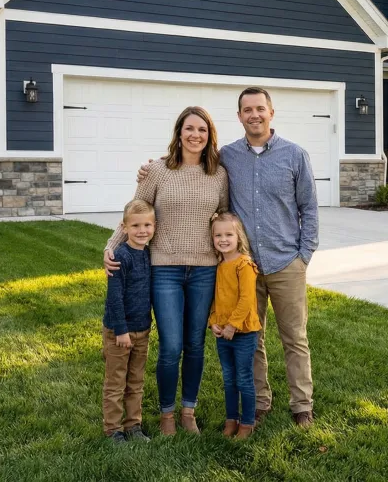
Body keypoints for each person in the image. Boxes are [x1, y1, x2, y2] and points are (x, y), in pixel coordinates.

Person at [137, 87, 319, 427]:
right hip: (242, 267)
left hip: (285, 263)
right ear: (239, 116)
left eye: (260, 109)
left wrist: (304, 255)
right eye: (247, 110)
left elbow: (309, 208)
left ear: (271, 112)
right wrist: (148, 168)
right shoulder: (227, 158)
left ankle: (301, 406)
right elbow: (184, 172)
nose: (254, 115)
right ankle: (260, 402)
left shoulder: (295, 155)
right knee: (253, 336)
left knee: (294, 338)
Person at [103, 106, 228, 436]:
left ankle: (189, 411)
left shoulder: (219, 174)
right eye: (189, 128)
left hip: (204, 270)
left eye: (202, 130)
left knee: (196, 345)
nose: (195, 135)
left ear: (209, 135)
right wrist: (112, 246)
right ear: (179, 132)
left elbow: (224, 217)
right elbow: (134, 210)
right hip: (165, 270)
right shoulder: (157, 170)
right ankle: (167, 415)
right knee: (171, 346)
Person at [102, 199, 155, 444]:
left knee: (136, 381)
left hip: (142, 330)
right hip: (119, 331)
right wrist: (121, 330)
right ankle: (113, 429)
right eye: (135, 226)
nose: (142, 230)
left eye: (147, 225)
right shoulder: (120, 256)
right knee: (116, 382)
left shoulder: (148, 254)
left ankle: (133, 425)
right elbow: (114, 297)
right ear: (124, 228)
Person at [208, 212, 261, 440]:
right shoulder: (219, 265)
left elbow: (247, 299)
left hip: (244, 332)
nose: (223, 239)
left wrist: (232, 325)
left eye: (228, 234)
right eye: (218, 235)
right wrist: (213, 322)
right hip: (223, 333)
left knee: (243, 378)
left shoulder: (244, 264)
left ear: (238, 236)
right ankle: (232, 419)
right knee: (228, 378)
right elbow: (215, 299)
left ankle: (247, 423)